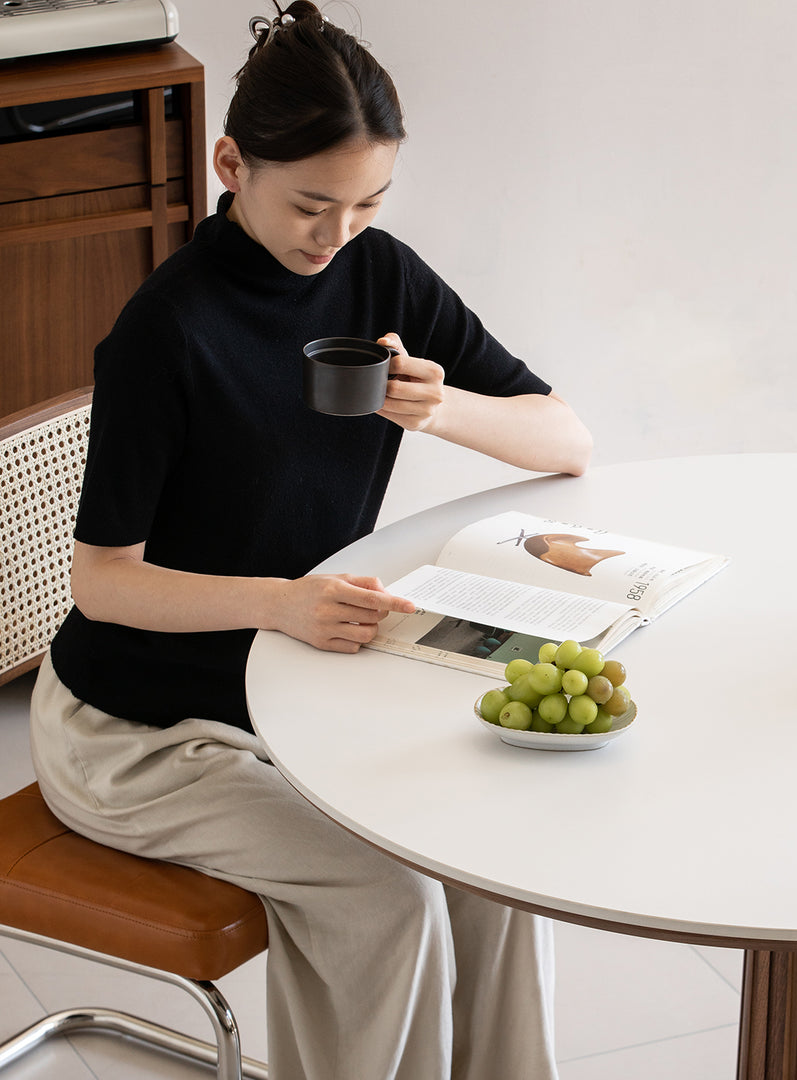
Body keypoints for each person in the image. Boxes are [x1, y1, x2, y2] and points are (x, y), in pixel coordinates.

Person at [29, 3, 592, 1077]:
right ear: (231, 163)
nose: (335, 234)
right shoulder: (165, 331)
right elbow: (103, 585)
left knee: (490, 858)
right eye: (312, 204)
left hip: (294, 690)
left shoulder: (379, 276)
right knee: (385, 895)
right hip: (137, 731)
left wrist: (444, 409)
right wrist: (280, 599)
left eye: (369, 201)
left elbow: (565, 436)